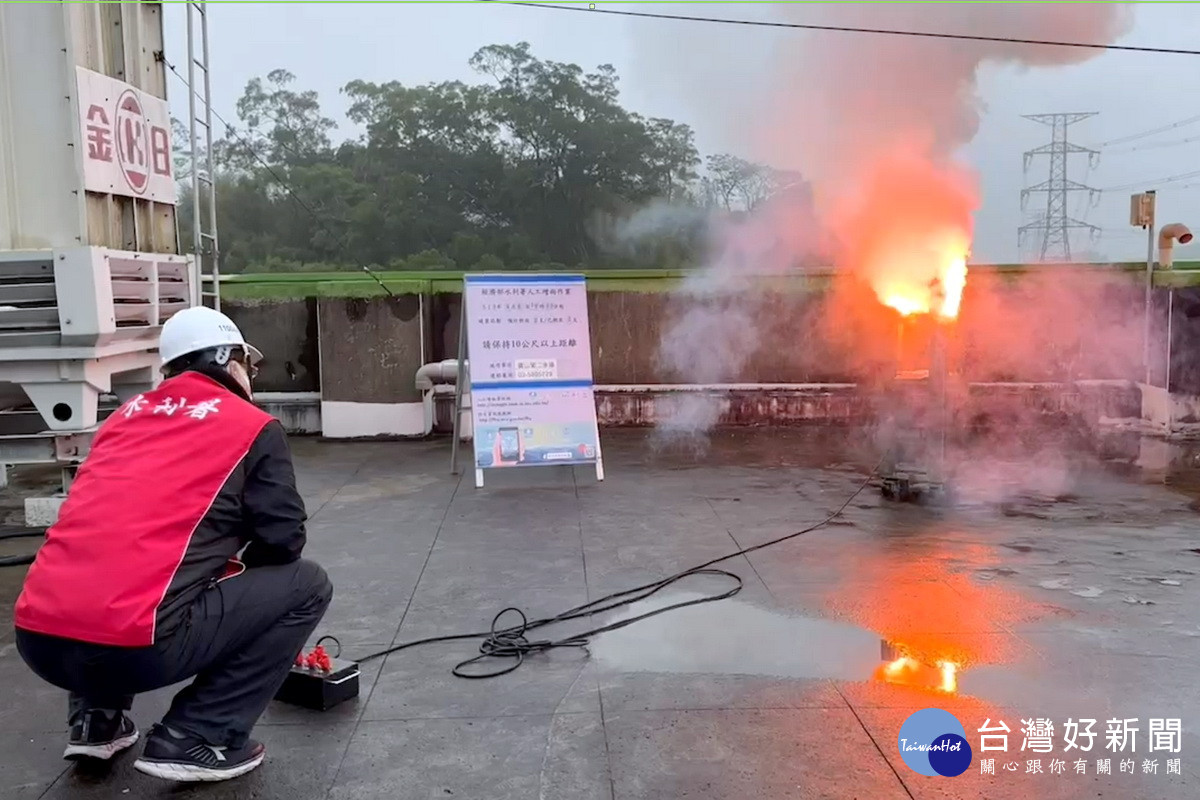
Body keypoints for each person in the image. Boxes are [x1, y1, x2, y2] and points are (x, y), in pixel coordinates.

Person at [12, 305, 332, 783]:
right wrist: (229, 580)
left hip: (37, 641)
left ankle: (96, 721)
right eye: (249, 363)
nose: (252, 375)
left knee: (106, 561)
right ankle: (200, 734)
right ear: (228, 359)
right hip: (137, 648)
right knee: (306, 585)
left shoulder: (122, 419)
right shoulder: (249, 425)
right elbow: (282, 542)